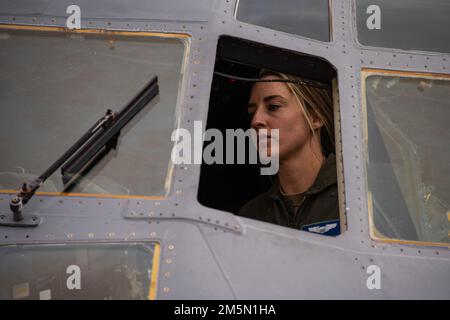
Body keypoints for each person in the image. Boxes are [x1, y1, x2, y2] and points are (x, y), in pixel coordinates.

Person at [238, 70, 340, 236]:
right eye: (252, 112)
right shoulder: (251, 216)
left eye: (274, 107)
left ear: (315, 116)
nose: (256, 120)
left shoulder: (360, 201)